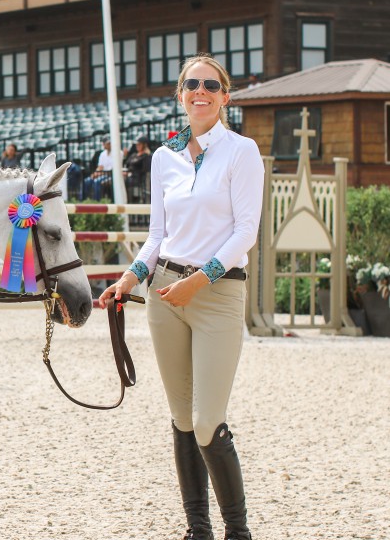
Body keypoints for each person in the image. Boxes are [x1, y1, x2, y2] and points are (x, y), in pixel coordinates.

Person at [99, 54, 263, 540]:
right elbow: (156, 236)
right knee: (181, 419)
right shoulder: (163, 158)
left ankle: (238, 531)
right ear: (180, 94)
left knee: (209, 420)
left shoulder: (241, 151)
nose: (200, 91)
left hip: (216, 294)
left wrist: (202, 278)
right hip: (163, 294)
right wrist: (129, 279)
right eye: (191, 83)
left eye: (211, 84)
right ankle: (198, 529)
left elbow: (246, 231)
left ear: (225, 96)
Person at [83, 136, 114, 200]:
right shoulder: (102, 154)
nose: (109, 145)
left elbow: (112, 169)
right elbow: (100, 167)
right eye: (107, 143)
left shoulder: (117, 153)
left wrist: (100, 173)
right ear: (103, 144)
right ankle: (85, 199)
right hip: (103, 174)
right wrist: (95, 174)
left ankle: (97, 200)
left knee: (97, 181)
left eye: (110, 143)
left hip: (111, 175)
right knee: (87, 181)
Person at [124, 135, 153, 200]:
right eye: (137, 144)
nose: (137, 146)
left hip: (138, 177)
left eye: (139, 144)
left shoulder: (146, 156)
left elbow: (145, 169)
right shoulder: (134, 155)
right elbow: (127, 164)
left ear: (144, 145)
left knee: (125, 180)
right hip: (129, 176)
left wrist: (148, 155)